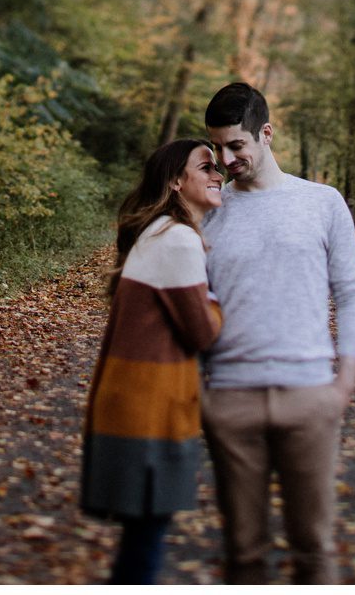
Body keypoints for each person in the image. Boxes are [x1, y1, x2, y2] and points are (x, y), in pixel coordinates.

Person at [199, 82, 355, 584]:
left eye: (236, 145)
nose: (226, 159)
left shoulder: (322, 202)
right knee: (244, 554)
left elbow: (352, 291)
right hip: (230, 399)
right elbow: (188, 305)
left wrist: (344, 382)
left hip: (309, 395)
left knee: (313, 548)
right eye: (217, 148)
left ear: (266, 134)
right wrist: (200, 395)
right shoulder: (208, 212)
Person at [80, 138, 227, 584]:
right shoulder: (178, 239)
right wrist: (219, 300)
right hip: (147, 415)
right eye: (206, 167)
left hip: (134, 407)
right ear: (177, 181)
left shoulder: (162, 232)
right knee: (143, 553)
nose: (218, 173)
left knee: (140, 546)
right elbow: (202, 331)